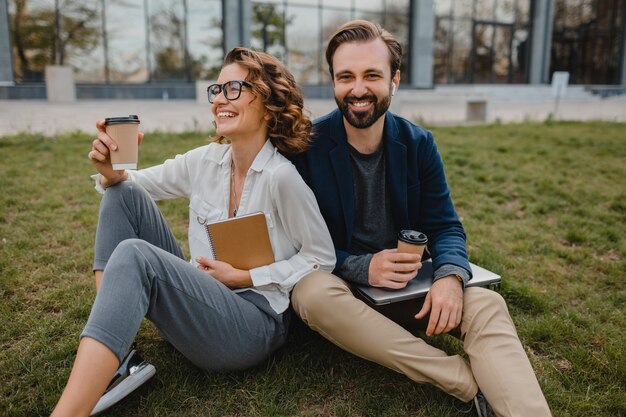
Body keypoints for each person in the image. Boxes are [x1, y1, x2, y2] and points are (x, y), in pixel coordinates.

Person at [51, 47, 335, 417]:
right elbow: (131, 182)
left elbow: (321, 258)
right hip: (202, 301)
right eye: (216, 90)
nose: (219, 99)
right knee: (122, 193)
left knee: (136, 255)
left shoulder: (282, 178)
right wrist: (111, 170)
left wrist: (247, 276)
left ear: (267, 103)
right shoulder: (205, 160)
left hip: (253, 324)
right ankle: (118, 358)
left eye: (233, 88)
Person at [290, 20, 552, 417]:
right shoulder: (307, 146)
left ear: (394, 80)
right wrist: (363, 266)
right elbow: (294, 245)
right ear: (333, 82)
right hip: (343, 295)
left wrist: (448, 277)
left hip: (410, 292)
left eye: (372, 75)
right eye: (346, 77)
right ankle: (459, 379)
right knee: (309, 293)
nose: (358, 89)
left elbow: (445, 225)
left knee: (486, 303)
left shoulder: (418, 143)